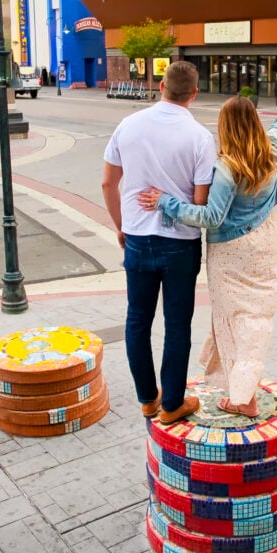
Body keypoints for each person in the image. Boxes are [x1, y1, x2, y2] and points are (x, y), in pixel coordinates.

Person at [138, 44, 277, 418]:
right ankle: (245, 390)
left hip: (230, 252)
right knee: (257, 316)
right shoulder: (271, 148)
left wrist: (165, 202)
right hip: (268, 241)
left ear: (225, 128)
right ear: (255, 122)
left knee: (233, 318)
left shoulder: (225, 167)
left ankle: (241, 396)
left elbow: (210, 217)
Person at [102, 61, 216, 425]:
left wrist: (121, 226)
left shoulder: (128, 125)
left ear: (161, 85)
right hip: (180, 243)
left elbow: (108, 184)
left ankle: (148, 400)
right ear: (194, 94)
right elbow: (200, 204)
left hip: (137, 237)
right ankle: (173, 405)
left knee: (137, 319)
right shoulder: (200, 137)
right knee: (177, 324)